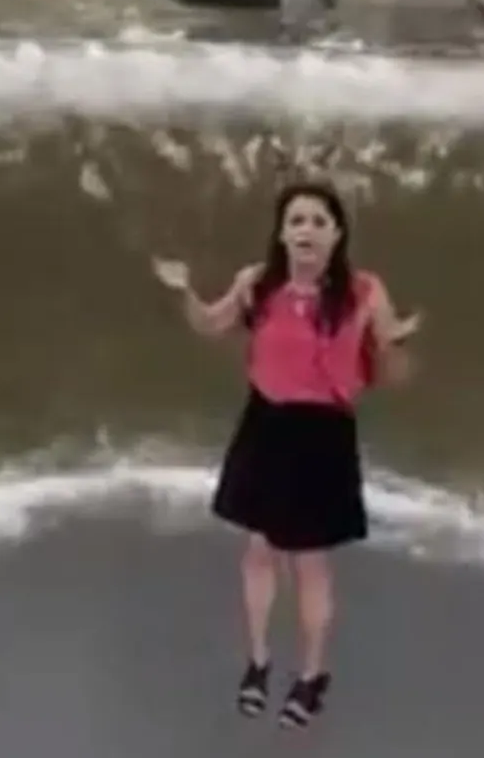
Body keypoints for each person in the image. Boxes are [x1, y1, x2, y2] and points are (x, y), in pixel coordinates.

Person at [177, 180, 420, 729]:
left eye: (318, 221)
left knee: (310, 562)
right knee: (260, 549)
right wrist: (186, 291)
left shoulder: (364, 292)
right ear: (282, 234)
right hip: (265, 424)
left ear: (336, 235)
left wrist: (396, 345)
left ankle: (312, 675)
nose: (306, 230)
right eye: (296, 221)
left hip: (322, 436)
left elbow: (392, 372)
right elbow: (211, 326)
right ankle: (259, 662)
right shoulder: (258, 284)